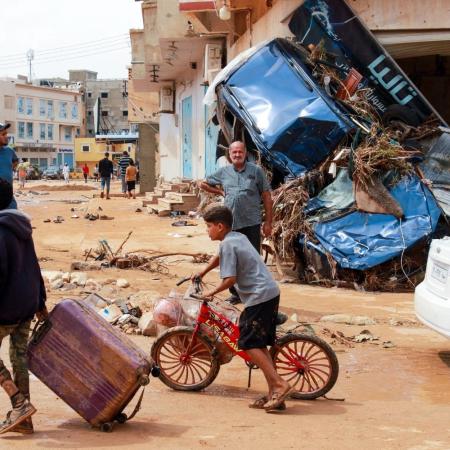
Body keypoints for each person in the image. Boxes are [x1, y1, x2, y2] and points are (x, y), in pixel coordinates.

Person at [193, 205, 292, 412]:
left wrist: (210, 293)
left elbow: (230, 279)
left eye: (209, 226)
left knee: (246, 342)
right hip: (268, 292)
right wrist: (202, 272)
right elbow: (219, 256)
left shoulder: (229, 245)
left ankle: (280, 385)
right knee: (257, 344)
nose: (207, 230)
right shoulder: (236, 237)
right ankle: (274, 392)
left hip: (259, 296)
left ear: (220, 227)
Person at [0, 178, 48, 434]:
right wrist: (41, 300)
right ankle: (25, 420)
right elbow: (34, 264)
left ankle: (19, 403)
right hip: (26, 303)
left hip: (6, 307)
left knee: (15, 357)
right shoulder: (21, 227)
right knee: (18, 357)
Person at [200, 141, 273, 304]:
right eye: (234, 153)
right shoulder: (223, 172)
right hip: (230, 225)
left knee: (251, 259)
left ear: (245, 153)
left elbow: (267, 197)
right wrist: (219, 191)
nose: (237, 155)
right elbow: (202, 183)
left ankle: (255, 292)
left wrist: (268, 222)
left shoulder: (256, 171)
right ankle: (236, 293)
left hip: (251, 223)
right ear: (230, 155)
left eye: (240, 152)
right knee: (230, 259)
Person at [0, 123, 18, 209]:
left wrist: (9, 170)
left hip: (9, 199)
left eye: (6, 134)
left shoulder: (9, 151)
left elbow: (15, 161)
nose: (6, 136)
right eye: (3, 134)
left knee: (14, 219)